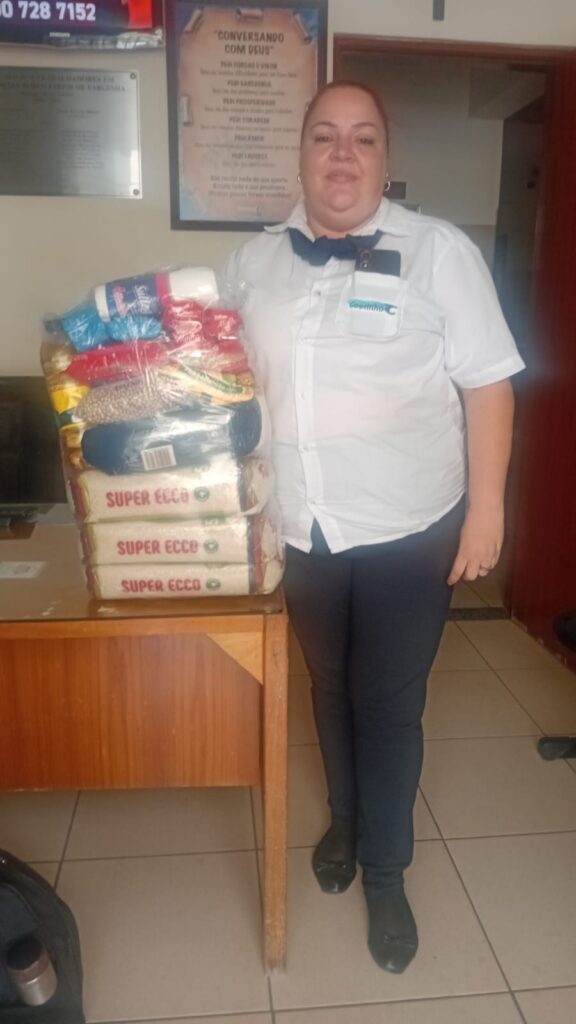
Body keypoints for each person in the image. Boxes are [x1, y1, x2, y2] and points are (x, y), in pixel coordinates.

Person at [222, 80, 524, 973]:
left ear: (386, 160)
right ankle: (346, 824)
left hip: (409, 527)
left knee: (388, 704)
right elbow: (229, 383)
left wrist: (487, 510)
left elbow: (488, 384)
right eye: (325, 136)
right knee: (328, 686)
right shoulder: (254, 263)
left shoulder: (439, 253)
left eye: (362, 138)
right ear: (301, 155)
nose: (342, 154)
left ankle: (387, 874)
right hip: (300, 526)